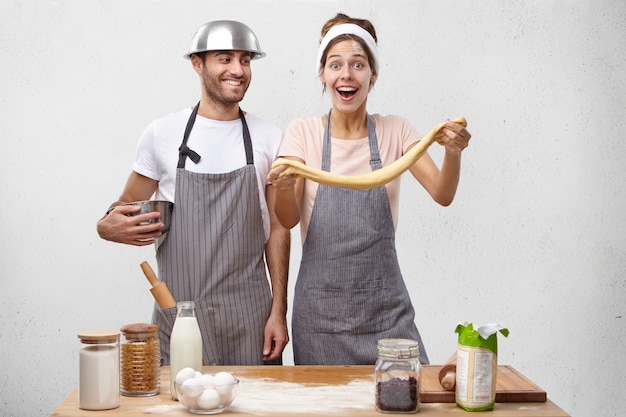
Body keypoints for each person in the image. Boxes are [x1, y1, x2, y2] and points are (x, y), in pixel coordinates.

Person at [267, 13, 471, 365]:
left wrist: (452, 153)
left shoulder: (395, 130)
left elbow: (442, 193)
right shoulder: (303, 133)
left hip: (387, 318)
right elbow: (285, 220)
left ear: (372, 75)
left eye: (358, 65)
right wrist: (284, 188)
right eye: (335, 65)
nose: (346, 75)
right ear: (323, 74)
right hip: (320, 323)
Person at [97, 20, 290, 366]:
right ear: (197, 64)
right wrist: (105, 226)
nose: (237, 70)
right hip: (179, 317)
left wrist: (279, 311)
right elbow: (122, 207)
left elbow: (278, 229)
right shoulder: (162, 134)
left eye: (245, 60)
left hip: (250, 319)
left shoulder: (268, 137)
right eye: (224, 58)